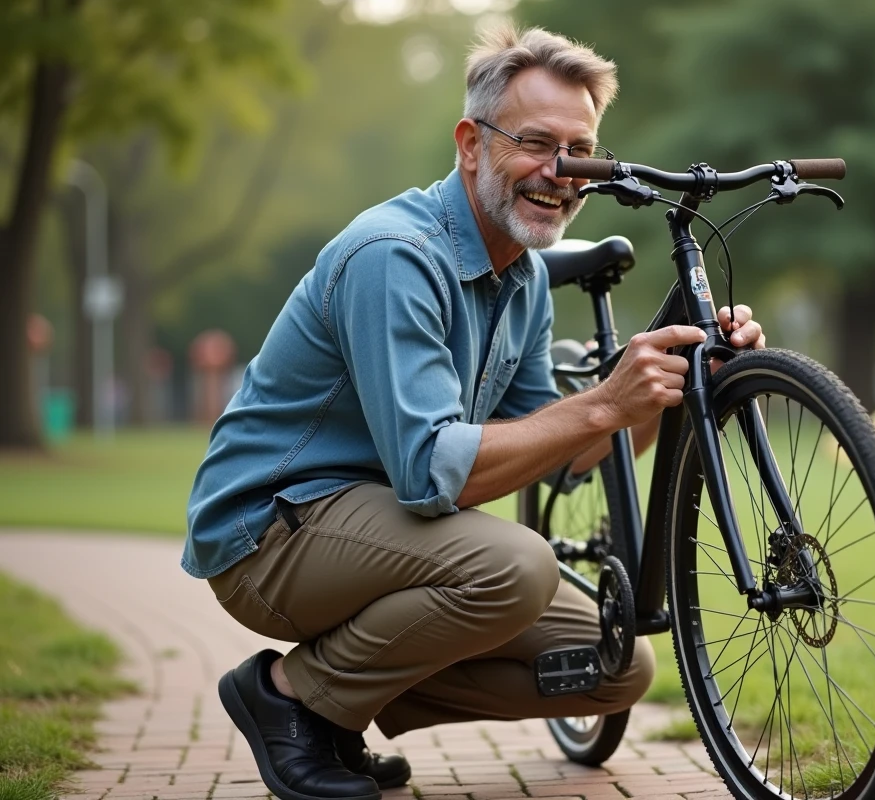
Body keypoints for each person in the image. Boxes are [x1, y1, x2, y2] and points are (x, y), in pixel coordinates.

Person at [183, 23, 765, 800]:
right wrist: (599, 400)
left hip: (380, 529)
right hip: (270, 531)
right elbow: (432, 475)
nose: (561, 171)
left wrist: (654, 393)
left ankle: (338, 702)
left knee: (614, 665)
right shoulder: (394, 255)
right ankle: (292, 698)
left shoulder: (519, 279)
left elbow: (557, 450)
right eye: (535, 142)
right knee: (515, 566)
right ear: (469, 144)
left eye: (580, 149)